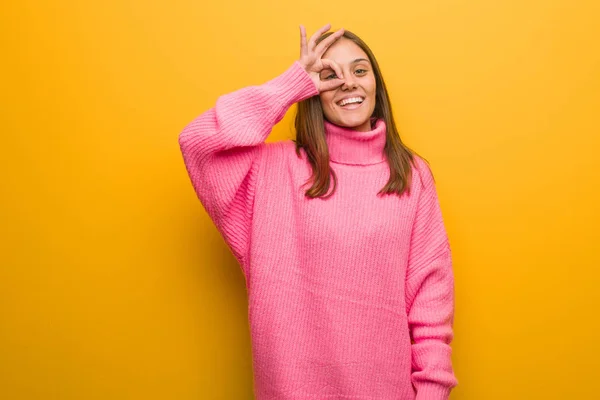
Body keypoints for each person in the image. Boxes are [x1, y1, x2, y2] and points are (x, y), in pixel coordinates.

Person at [178, 23, 458, 400]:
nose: (348, 83)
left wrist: (432, 392)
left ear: (377, 84)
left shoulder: (410, 174)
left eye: (360, 70)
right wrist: (290, 86)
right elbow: (198, 143)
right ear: (314, 91)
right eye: (329, 75)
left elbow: (431, 297)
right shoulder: (269, 172)